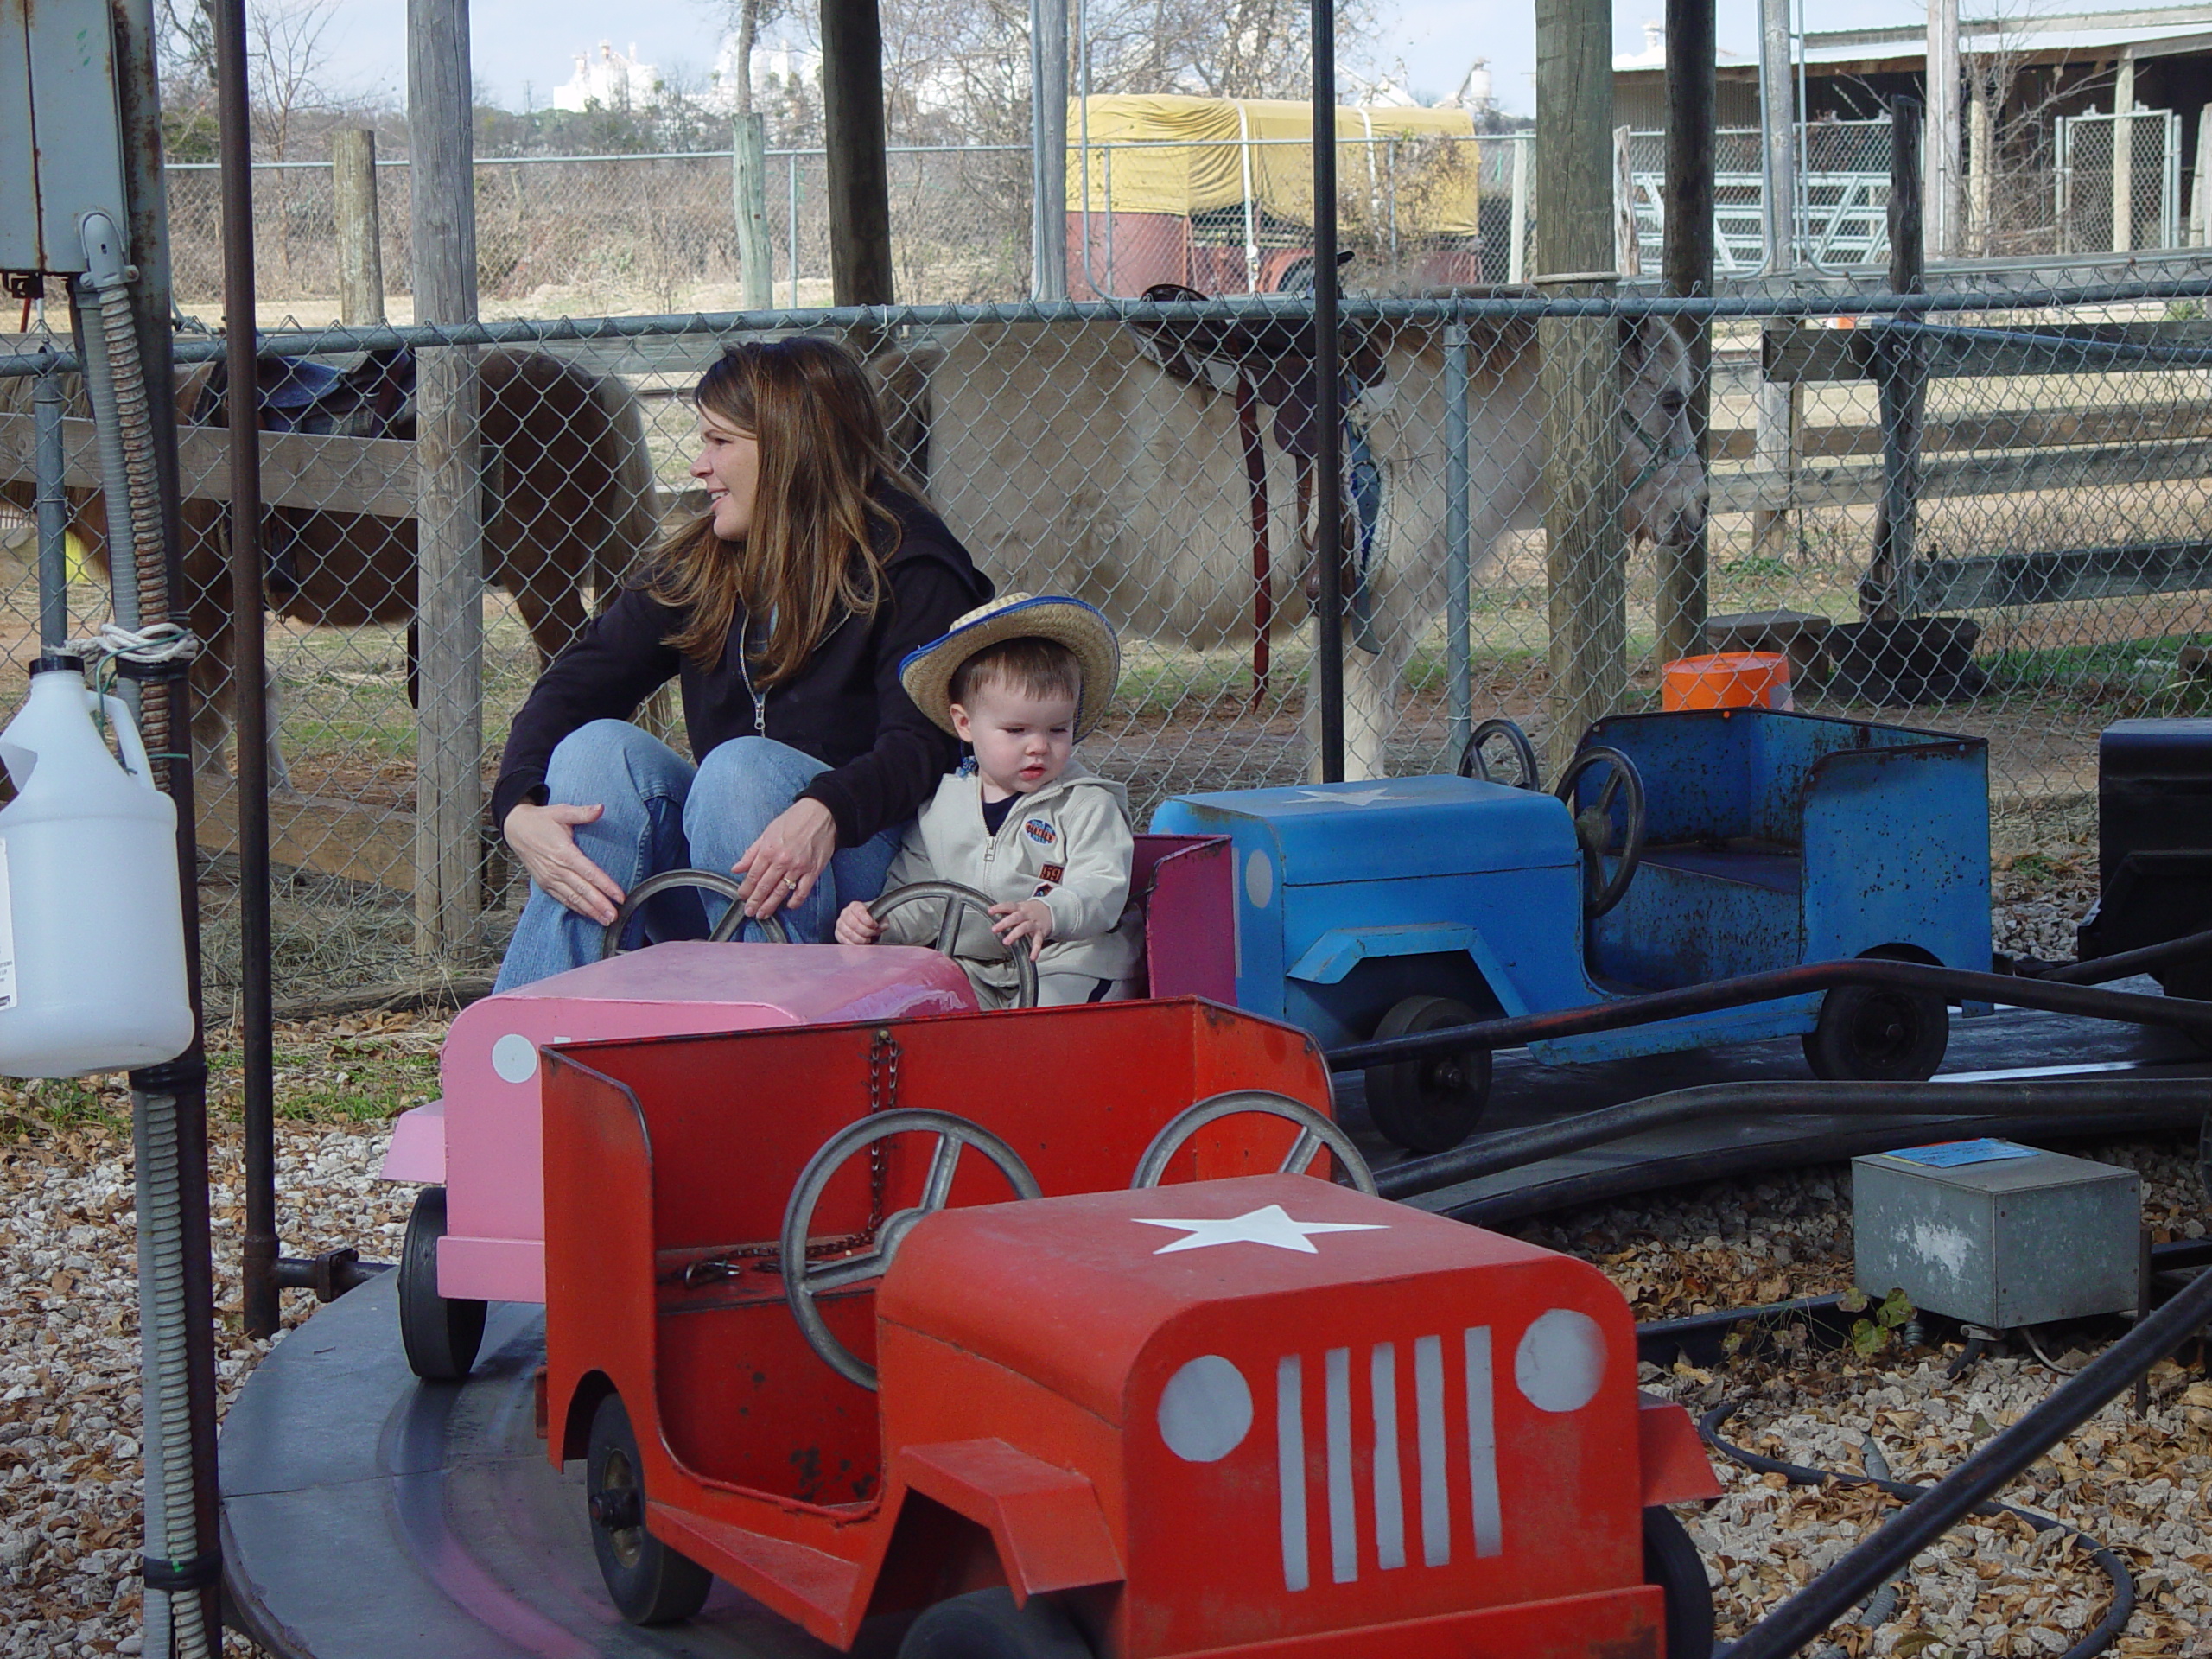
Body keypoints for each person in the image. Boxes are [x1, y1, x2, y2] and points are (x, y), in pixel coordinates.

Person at [490, 336, 992, 990]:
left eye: (720, 442)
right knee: (596, 751)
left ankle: (766, 1046)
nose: (699, 465)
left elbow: (925, 745)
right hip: (730, 872)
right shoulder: (704, 564)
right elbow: (573, 688)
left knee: (740, 768)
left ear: (789, 449)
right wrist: (517, 809)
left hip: (871, 889)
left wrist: (826, 810)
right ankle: (531, 1050)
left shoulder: (911, 564)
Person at [835, 594, 1143, 1007]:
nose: (1039, 747)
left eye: (1057, 730)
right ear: (964, 724)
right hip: (975, 966)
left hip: (1068, 961)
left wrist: (1052, 913)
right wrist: (881, 922)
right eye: (1016, 730)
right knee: (910, 1004)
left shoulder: (1086, 804)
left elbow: (1103, 885)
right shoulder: (943, 809)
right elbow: (922, 896)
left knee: (1045, 1017)